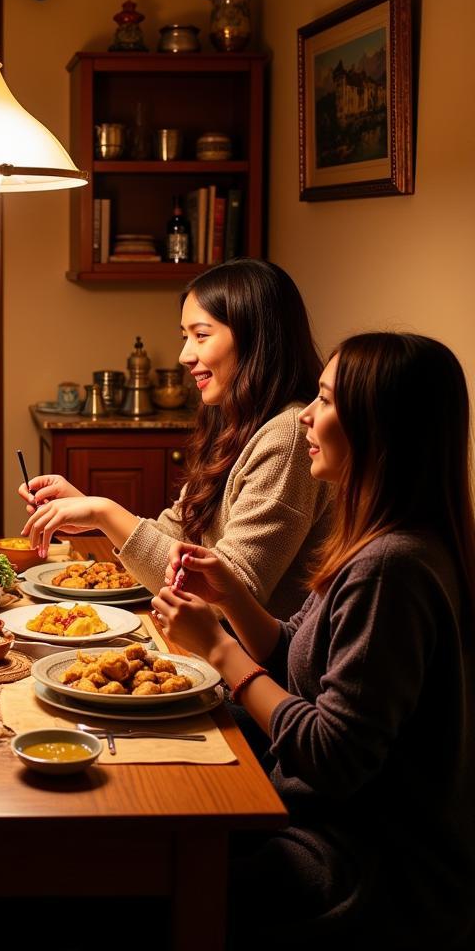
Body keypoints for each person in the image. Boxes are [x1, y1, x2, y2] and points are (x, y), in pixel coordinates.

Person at [150, 333, 475, 947]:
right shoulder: (377, 542)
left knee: (133, 880)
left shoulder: (393, 569)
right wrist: (233, 598)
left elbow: (331, 755)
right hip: (321, 825)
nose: (305, 415)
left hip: (362, 866)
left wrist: (220, 653)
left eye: (323, 400)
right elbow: (296, 658)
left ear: (379, 428)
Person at [22, 258, 332, 619]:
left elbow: (227, 594)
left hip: (258, 663)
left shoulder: (289, 434)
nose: (185, 355)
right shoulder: (234, 420)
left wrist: (105, 512)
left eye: (201, 335)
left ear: (255, 338)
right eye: (185, 337)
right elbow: (180, 533)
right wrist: (92, 513)